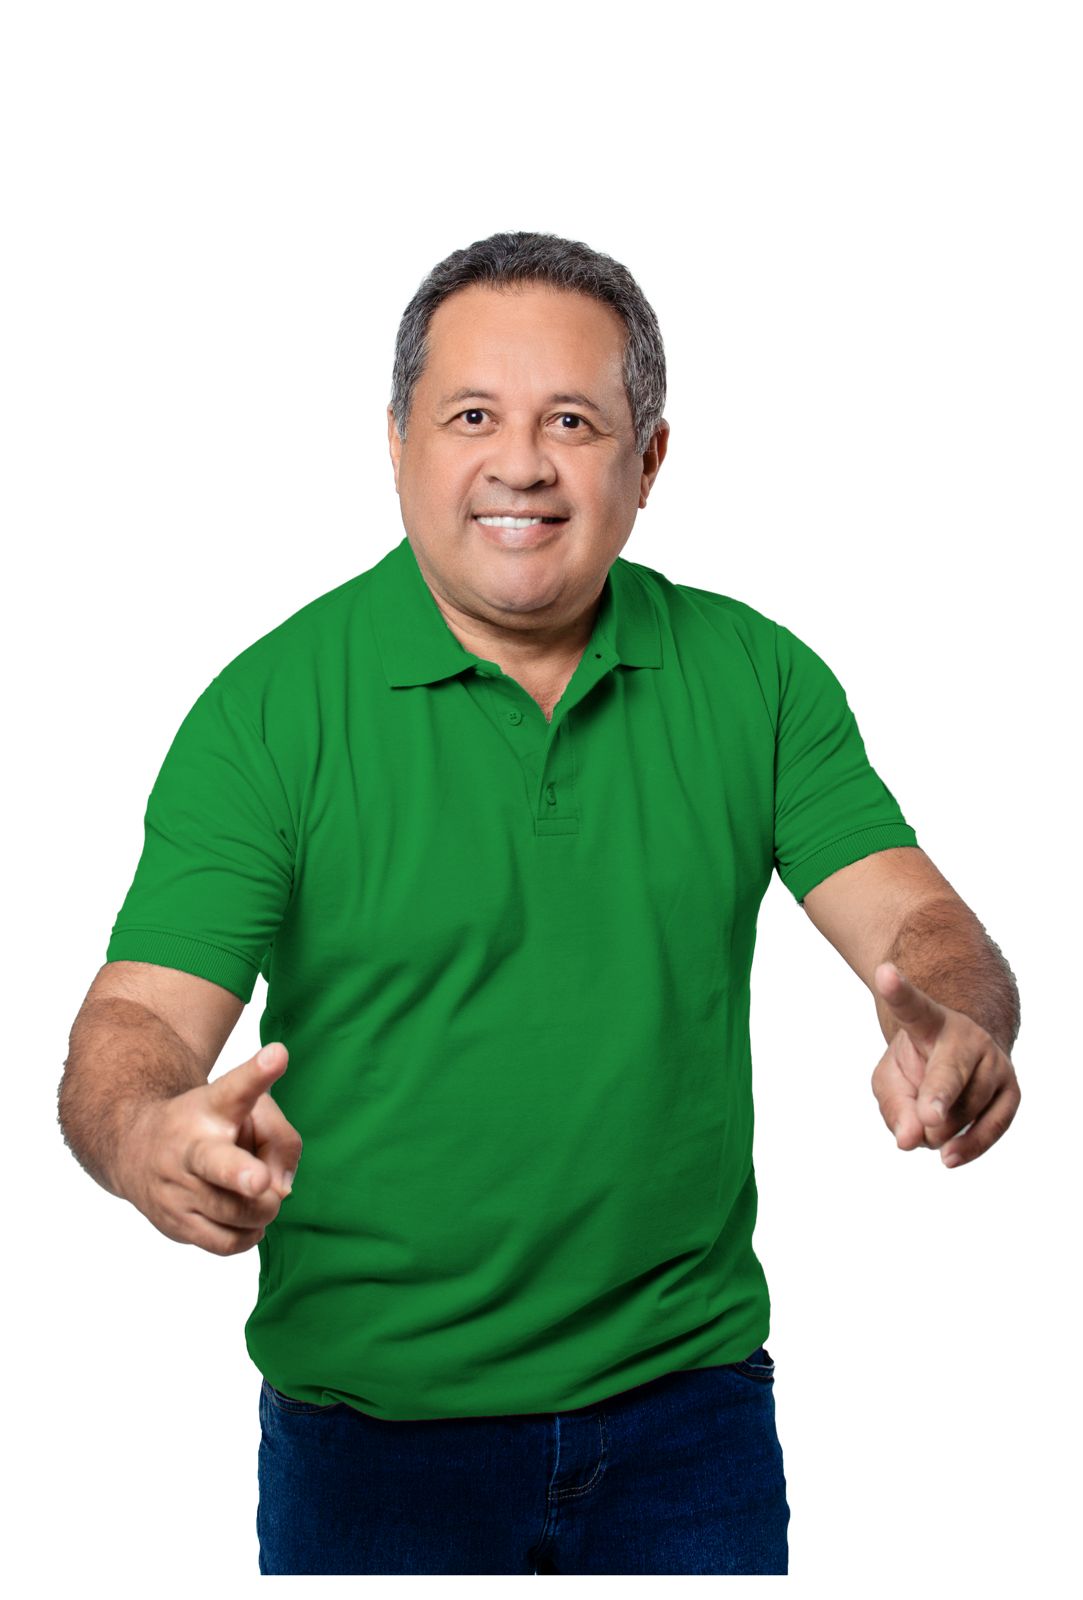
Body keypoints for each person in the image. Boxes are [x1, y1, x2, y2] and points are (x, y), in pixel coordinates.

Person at [58, 230, 1022, 1576]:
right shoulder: (269, 712)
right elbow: (137, 1029)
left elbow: (924, 931)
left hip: (689, 1420)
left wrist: (964, 1023)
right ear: (397, 442)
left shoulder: (757, 681)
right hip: (371, 1442)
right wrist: (148, 1136)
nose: (520, 463)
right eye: (472, 417)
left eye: (573, 421)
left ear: (650, 462)